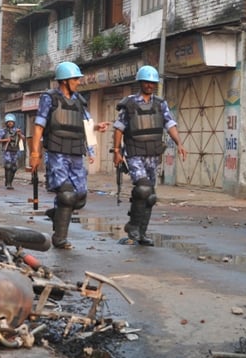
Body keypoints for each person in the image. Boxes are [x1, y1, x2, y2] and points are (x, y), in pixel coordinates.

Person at [112, 65, 188, 246]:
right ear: (140, 82)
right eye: (147, 82)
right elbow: (118, 128)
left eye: (153, 83)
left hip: (153, 154)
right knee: (143, 189)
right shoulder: (129, 103)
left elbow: (170, 124)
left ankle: (141, 233)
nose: (150, 85)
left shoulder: (160, 104)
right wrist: (116, 151)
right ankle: (132, 227)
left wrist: (179, 143)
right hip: (135, 153)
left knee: (150, 196)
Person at [30, 61, 95, 250]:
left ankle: (56, 213)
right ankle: (60, 238)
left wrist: (91, 148)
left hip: (76, 153)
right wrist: (35, 153)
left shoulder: (80, 101)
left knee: (80, 197)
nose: (78, 82)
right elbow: (39, 126)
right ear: (65, 81)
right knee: (67, 195)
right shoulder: (49, 98)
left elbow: (87, 124)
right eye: (75, 79)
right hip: (57, 153)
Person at [0, 114, 24, 190]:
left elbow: (23, 138)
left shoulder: (17, 130)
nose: (10, 123)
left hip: (15, 150)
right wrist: (6, 140)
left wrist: (20, 134)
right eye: (9, 122)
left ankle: (9, 181)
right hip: (7, 150)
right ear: (6, 123)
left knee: (14, 167)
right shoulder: (3, 131)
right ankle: (8, 184)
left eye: (12, 122)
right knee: (8, 166)